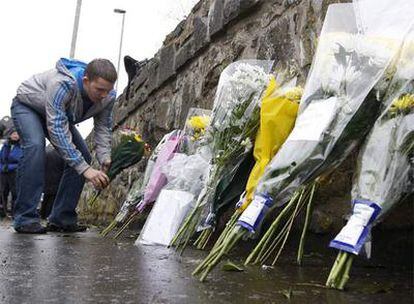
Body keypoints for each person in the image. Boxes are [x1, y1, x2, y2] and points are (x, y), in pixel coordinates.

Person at [11, 58, 117, 234]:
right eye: (99, 89)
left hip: (56, 116)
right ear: (85, 81)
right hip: (28, 107)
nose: (104, 95)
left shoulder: (108, 97)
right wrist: (86, 170)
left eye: (108, 90)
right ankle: (25, 218)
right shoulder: (63, 84)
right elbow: (58, 130)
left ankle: (62, 218)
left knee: (84, 153)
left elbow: (103, 127)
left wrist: (105, 157)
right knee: (35, 147)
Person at [0, 127, 22, 217]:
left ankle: (14, 212)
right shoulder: (5, 146)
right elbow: (1, 159)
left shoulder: (21, 146)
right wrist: (1, 168)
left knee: (15, 193)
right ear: (10, 135)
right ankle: (3, 212)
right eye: (14, 133)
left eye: (17, 134)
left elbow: (21, 160)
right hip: (3, 172)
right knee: (2, 192)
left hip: (15, 172)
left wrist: (10, 167)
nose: (15, 135)